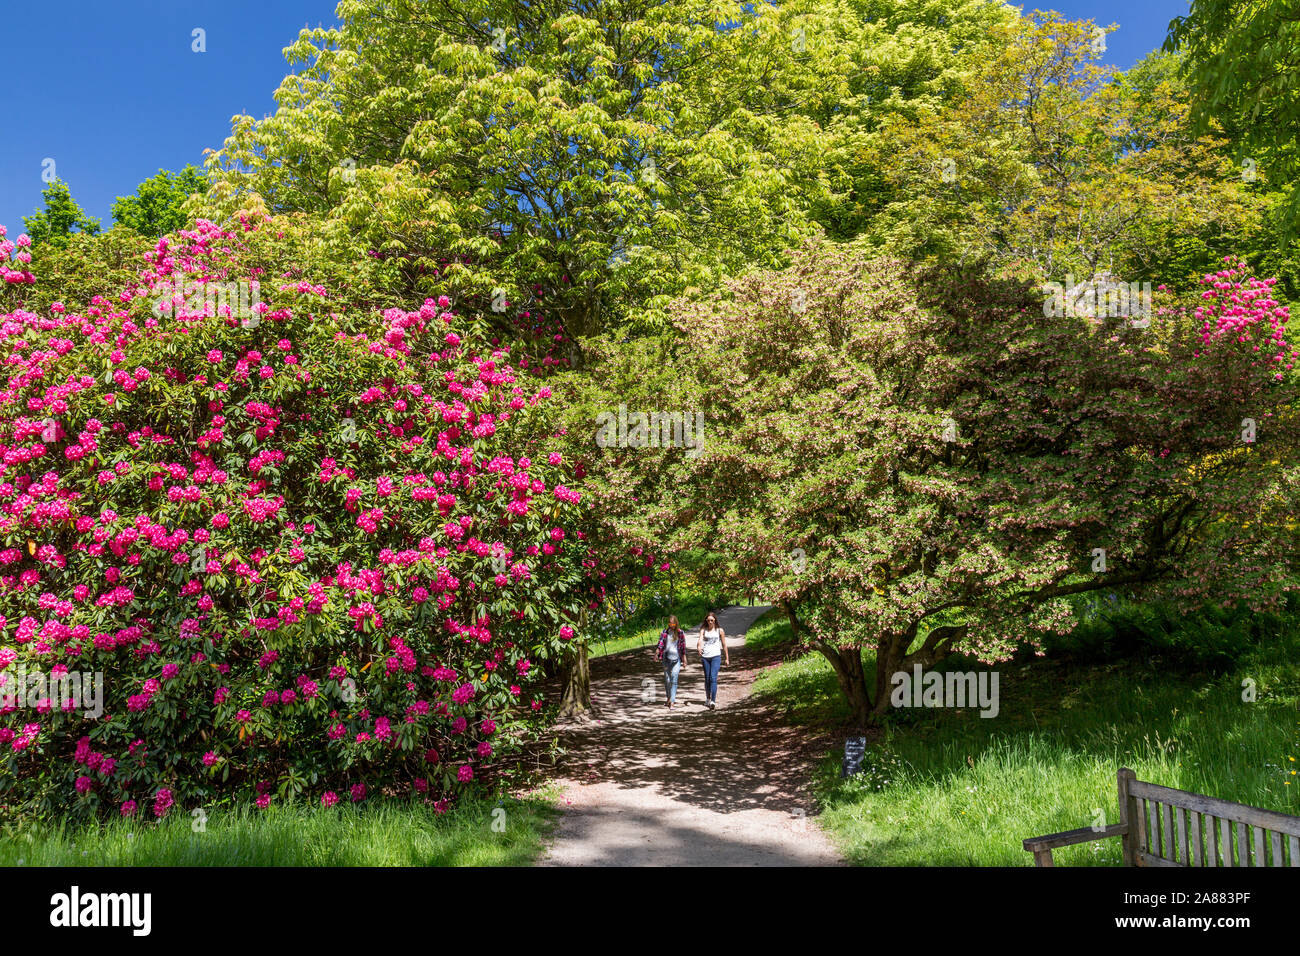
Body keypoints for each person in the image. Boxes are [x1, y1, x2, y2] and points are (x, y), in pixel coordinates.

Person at [697, 611, 729, 709]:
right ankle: (708, 698)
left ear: (715, 620)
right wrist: (698, 647)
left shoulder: (720, 630)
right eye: (708, 620)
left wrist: (727, 658)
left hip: (716, 656)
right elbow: (700, 640)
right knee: (707, 678)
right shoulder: (703, 630)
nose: (710, 622)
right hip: (705, 657)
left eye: (712, 620)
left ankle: (713, 701)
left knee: (713, 678)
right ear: (706, 620)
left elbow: (724, 645)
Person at [655, 615, 688, 709]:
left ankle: (672, 702)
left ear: (676, 623)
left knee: (674, 679)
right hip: (666, 659)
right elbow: (660, 644)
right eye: (669, 623)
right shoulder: (665, 632)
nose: (671, 625)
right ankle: (669, 698)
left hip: (676, 659)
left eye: (673, 623)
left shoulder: (680, 633)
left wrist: (684, 659)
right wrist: (656, 654)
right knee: (667, 679)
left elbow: (683, 647)